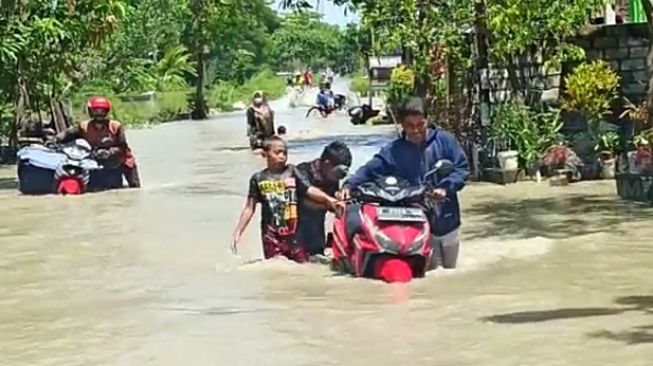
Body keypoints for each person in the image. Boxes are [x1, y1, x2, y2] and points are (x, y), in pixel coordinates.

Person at [338, 96, 469, 269]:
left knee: (450, 272)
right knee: (428, 273)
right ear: (401, 124)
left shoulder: (445, 141)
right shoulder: (394, 151)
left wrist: (446, 187)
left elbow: (462, 168)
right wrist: (349, 185)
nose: (415, 131)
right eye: (410, 126)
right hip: (417, 222)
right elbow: (370, 170)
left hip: (448, 217)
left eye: (420, 125)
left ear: (427, 120)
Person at [231, 136, 340, 263]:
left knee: (302, 265)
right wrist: (238, 232)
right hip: (270, 234)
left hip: (295, 232)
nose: (282, 156)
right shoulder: (258, 178)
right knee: (275, 265)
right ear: (264, 154)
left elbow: (309, 190)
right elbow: (249, 208)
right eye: (277, 152)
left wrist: (329, 200)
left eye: (285, 153)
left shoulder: (292, 171)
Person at [55, 96, 141, 188]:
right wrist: (55, 139)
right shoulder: (83, 126)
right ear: (90, 112)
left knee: (134, 186)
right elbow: (67, 134)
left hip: (122, 160)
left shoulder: (116, 126)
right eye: (96, 111)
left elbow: (123, 146)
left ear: (106, 112)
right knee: (112, 188)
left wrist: (109, 152)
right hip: (99, 161)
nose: (99, 114)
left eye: (102, 111)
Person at [296, 141, 352, 257]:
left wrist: (341, 200)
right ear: (326, 163)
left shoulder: (332, 176)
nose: (338, 178)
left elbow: (334, 204)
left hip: (317, 234)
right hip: (296, 234)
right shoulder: (302, 171)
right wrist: (329, 201)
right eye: (338, 173)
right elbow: (305, 197)